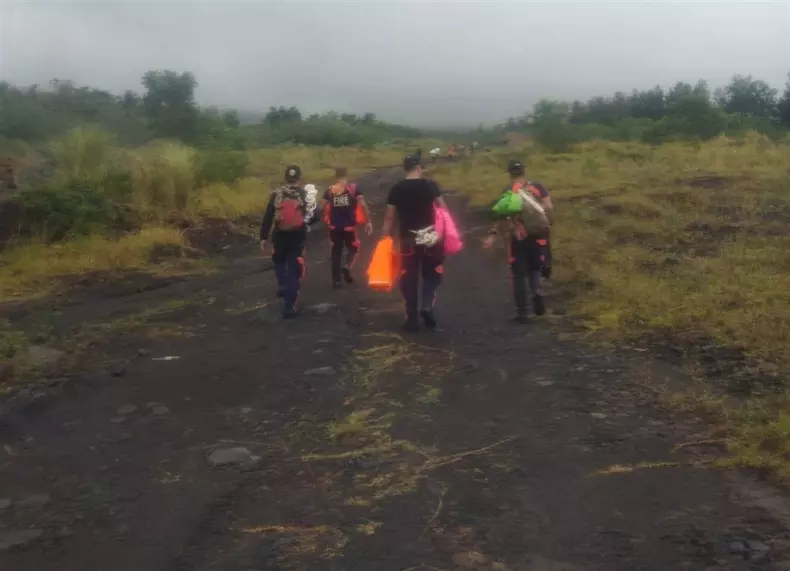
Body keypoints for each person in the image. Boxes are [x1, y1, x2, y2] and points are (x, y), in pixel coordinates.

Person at [381, 155, 449, 332]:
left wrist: (383, 240)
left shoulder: (397, 189)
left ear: (405, 168)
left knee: (408, 279)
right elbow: (443, 209)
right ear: (419, 168)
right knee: (433, 274)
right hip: (430, 238)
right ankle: (427, 305)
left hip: (407, 240)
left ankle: (411, 320)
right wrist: (447, 232)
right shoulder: (430, 186)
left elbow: (389, 217)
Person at [482, 160, 553, 324]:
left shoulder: (508, 191)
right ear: (523, 171)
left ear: (509, 173)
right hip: (537, 235)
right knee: (535, 268)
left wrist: (492, 235)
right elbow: (549, 208)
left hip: (517, 237)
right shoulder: (538, 187)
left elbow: (501, 216)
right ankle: (535, 292)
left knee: (519, 275)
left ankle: (523, 313)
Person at [259, 165, 312, 319]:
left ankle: (282, 283)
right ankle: (289, 307)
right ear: (299, 178)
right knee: (294, 272)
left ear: (285, 178)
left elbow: (268, 217)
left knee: (280, 262)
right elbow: (313, 216)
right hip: (297, 238)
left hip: (279, 237)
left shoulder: (277, 195)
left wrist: (263, 237)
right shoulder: (304, 194)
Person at [321, 167, 373, 288]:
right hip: (349, 227)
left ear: (336, 175)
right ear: (346, 175)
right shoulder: (354, 188)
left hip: (334, 227)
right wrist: (368, 221)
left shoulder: (330, 190)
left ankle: (336, 281)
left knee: (335, 253)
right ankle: (347, 266)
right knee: (354, 248)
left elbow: (321, 206)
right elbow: (363, 206)